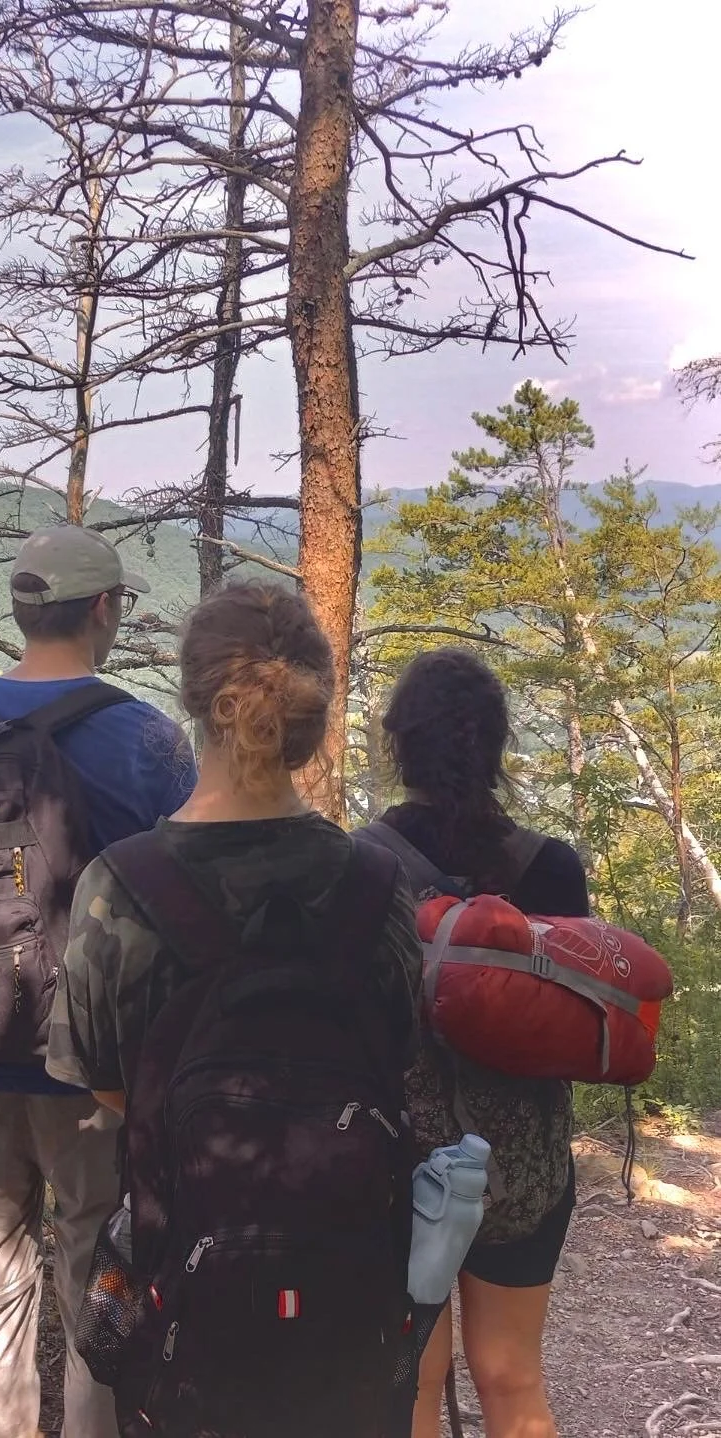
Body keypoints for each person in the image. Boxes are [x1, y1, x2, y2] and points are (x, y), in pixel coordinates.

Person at [46, 579, 421, 1436]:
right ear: (313, 720)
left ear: (192, 702)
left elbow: (109, 1088)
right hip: (349, 1286)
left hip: (185, 1290)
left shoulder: (122, 887)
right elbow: (395, 1057)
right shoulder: (377, 886)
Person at [0, 525, 197, 1438]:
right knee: (98, 1276)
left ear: (21, 609)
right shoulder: (148, 740)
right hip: (100, 1067)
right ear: (106, 608)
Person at [368, 649, 586, 1438]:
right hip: (522, 1164)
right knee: (511, 1378)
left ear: (399, 744)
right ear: (496, 747)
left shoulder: (361, 866)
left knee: (415, 1386)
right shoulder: (551, 867)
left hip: (396, 1163)